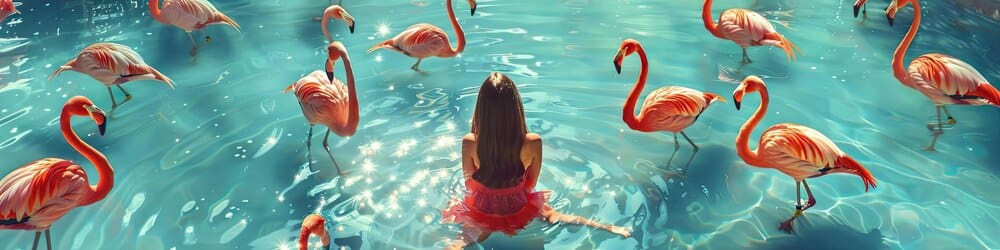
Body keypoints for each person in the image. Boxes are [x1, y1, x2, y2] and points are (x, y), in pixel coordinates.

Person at [441, 72, 631, 249]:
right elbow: (531, 183)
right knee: (553, 215)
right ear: (515, 108)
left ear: (481, 108)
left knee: (464, 239)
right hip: (518, 206)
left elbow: (469, 182)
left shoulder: (470, 142)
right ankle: (608, 228)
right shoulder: (533, 142)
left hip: (482, 208)